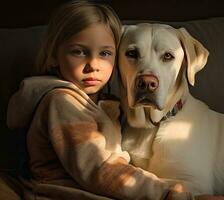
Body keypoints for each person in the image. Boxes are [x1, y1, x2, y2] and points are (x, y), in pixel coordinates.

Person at [6, 1, 193, 199]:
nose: (93, 65)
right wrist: (171, 194)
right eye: (79, 51)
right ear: (53, 56)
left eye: (104, 53)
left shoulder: (106, 103)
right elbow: (99, 170)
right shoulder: (61, 103)